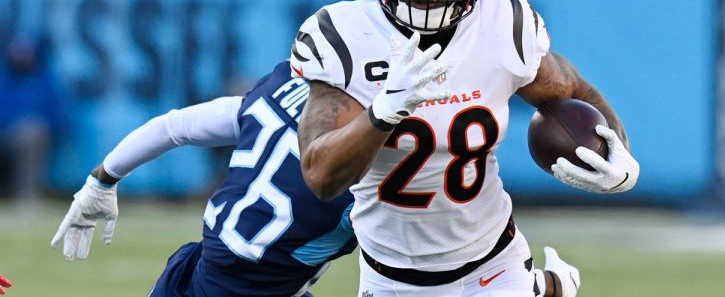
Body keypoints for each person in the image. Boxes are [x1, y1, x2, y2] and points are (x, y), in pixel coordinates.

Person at [291, 0, 639, 297]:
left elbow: (573, 91)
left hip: (493, 263)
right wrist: (382, 114)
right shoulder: (346, 36)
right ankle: (549, 288)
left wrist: (621, 157)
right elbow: (320, 177)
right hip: (391, 279)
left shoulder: (502, 23)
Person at [51, 60, 581, 296]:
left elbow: (179, 126)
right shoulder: (360, 175)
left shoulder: (281, 91)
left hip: (197, 269)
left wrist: (102, 178)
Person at [0, 35, 66, 201]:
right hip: (5, 134)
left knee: (34, 131)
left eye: (25, 53)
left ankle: (27, 196)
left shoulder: (44, 79)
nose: (21, 57)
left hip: (30, 138)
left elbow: (58, 117)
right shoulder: (4, 78)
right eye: (17, 53)